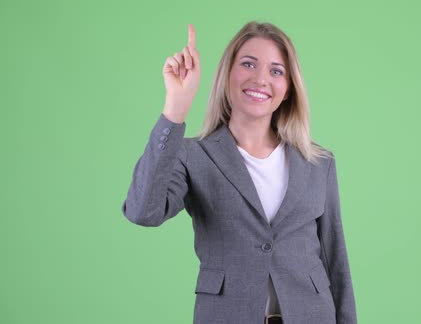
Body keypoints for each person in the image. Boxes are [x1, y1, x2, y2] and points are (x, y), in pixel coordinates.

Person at [121, 21, 357, 324]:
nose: (261, 79)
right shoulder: (193, 155)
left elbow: (336, 261)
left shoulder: (318, 163)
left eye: (276, 71)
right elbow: (143, 211)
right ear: (227, 75)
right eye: (248, 64)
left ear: (288, 89)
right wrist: (175, 110)